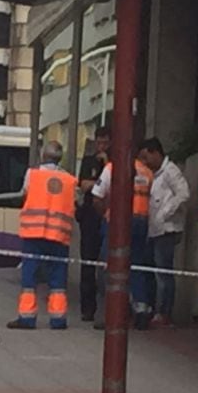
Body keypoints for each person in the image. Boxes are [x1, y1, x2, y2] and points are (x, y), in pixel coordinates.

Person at [7, 142, 77, 330]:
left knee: (30, 276)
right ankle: (58, 318)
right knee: (58, 277)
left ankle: (27, 317)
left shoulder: (33, 174)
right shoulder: (70, 179)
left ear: (43, 156)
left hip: (34, 232)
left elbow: (25, 194)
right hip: (59, 234)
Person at [92, 153, 154, 330]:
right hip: (141, 221)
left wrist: (106, 214)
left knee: (108, 266)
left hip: (118, 222)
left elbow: (97, 196)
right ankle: (141, 310)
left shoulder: (112, 167)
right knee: (136, 266)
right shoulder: (146, 172)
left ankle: (109, 314)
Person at [138, 137, 190, 328]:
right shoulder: (155, 174)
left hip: (166, 230)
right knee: (151, 269)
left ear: (156, 153)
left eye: (146, 157)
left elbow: (183, 194)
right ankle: (153, 308)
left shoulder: (170, 171)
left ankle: (164, 312)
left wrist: (164, 214)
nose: (145, 162)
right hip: (154, 230)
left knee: (163, 272)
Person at [76, 127, 111, 321]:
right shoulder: (88, 161)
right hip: (89, 216)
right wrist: (100, 182)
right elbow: (84, 185)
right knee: (88, 262)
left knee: (107, 264)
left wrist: (105, 166)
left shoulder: (112, 163)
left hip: (107, 217)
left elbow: (112, 182)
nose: (101, 146)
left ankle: (107, 309)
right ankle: (87, 308)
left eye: (105, 142)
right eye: (99, 142)